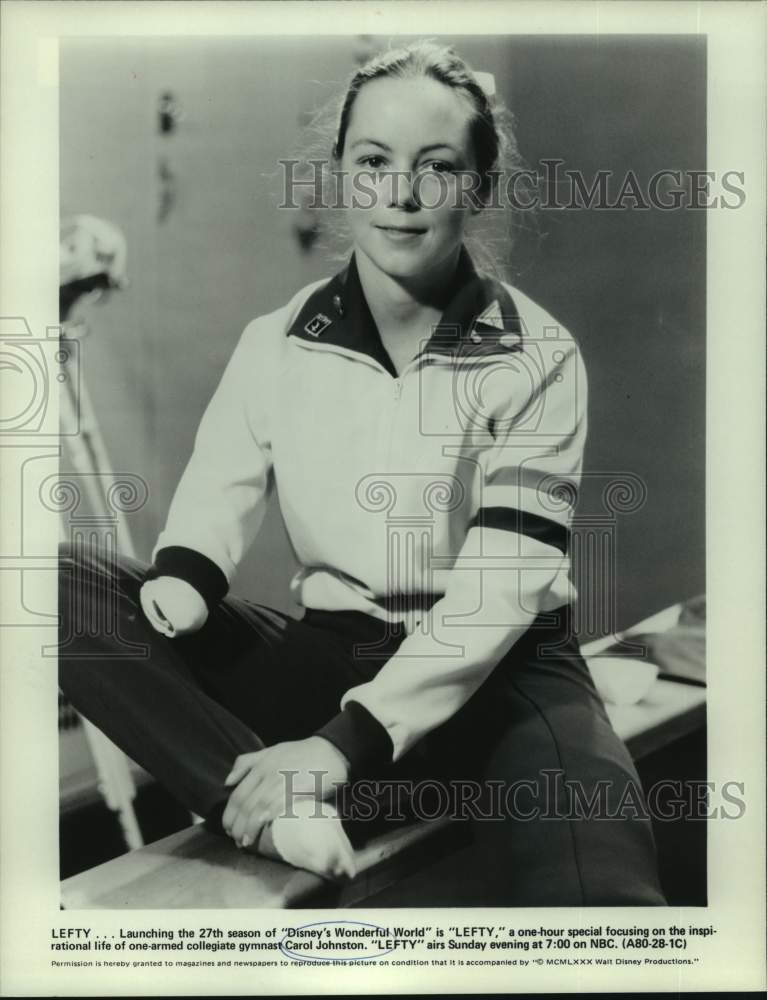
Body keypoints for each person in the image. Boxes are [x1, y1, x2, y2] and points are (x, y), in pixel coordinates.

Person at [59, 41, 666, 905]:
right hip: (332, 657)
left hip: (504, 674)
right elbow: (220, 487)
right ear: (339, 176)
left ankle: (306, 782)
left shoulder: (539, 355)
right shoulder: (275, 341)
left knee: (601, 890)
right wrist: (186, 573)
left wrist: (337, 747)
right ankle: (259, 808)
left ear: (480, 187)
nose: (400, 195)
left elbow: (499, 591)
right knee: (51, 580)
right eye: (372, 162)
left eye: (437, 167)